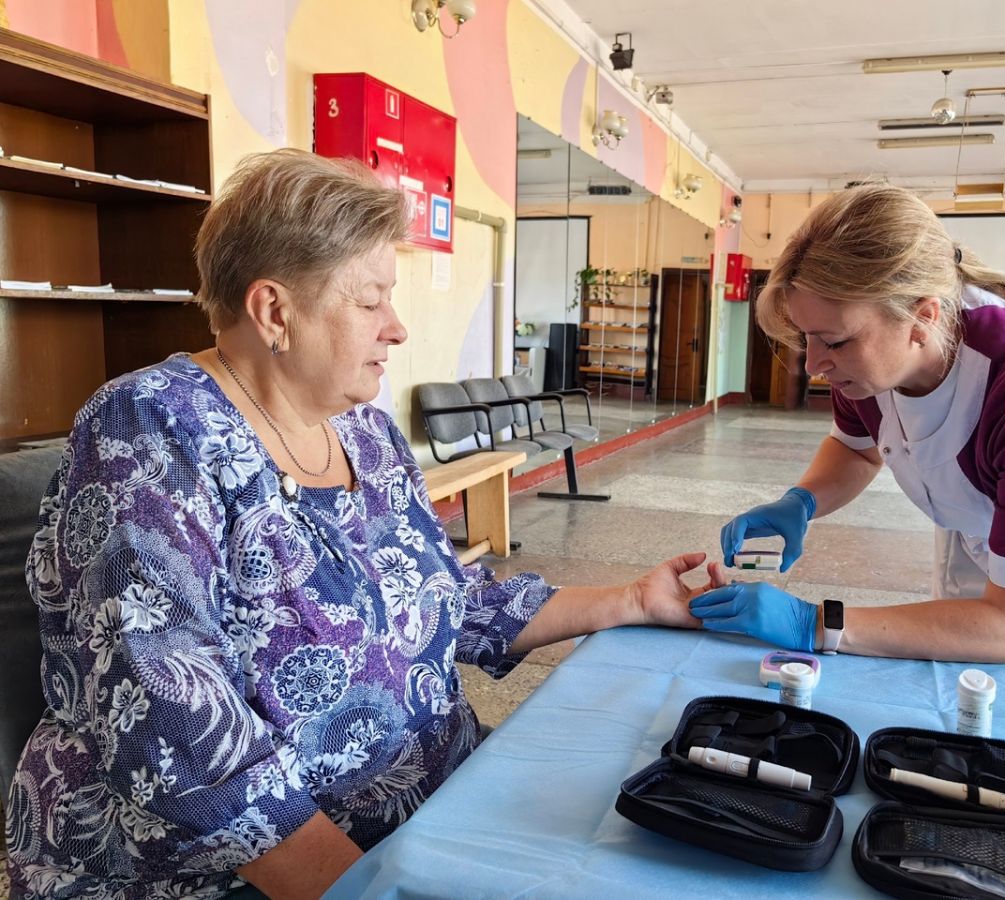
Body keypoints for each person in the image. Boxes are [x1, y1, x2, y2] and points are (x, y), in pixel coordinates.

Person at [5, 149, 718, 899]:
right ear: (275, 311)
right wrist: (365, 888)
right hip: (231, 873)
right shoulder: (151, 428)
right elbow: (164, 720)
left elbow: (446, 597)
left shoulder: (367, 434)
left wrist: (636, 601)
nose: (398, 328)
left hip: (428, 811)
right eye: (372, 299)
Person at [692, 184, 1005, 661]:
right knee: (957, 671)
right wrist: (801, 502)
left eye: (835, 342)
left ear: (923, 316)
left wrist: (816, 623)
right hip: (986, 525)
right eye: (808, 338)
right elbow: (857, 449)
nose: (814, 364)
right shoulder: (870, 365)